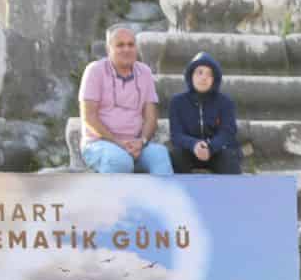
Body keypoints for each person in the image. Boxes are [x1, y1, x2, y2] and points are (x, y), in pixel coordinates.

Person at [79, 26, 174, 176]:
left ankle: (159, 200)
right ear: (109, 48)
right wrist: (117, 142)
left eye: (131, 44)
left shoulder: (145, 72)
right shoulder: (95, 71)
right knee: (120, 161)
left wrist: (141, 142)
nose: (126, 49)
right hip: (100, 143)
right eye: (120, 45)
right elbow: (89, 117)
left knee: (160, 156)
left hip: (136, 144)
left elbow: (151, 118)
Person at [166, 52, 241, 175]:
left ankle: (231, 192)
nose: (204, 78)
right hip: (189, 150)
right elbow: (176, 134)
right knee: (176, 156)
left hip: (217, 150)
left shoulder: (225, 102)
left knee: (229, 158)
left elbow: (228, 132)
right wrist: (194, 144)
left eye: (209, 74)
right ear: (191, 75)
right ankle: (182, 193)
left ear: (215, 79)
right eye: (199, 72)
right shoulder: (177, 102)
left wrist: (210, 147)